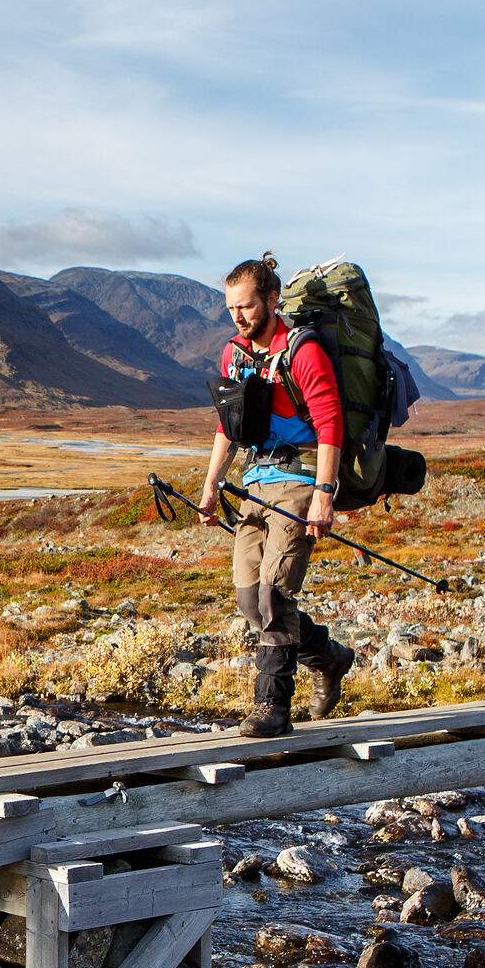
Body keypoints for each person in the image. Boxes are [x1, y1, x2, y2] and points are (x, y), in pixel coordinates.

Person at [196, 254, 355, 734]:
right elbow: (230, 424)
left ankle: (272, 708)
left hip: (302, 479)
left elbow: (330, 423)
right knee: (249, 598)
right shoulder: (235, 354)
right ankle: (328, 657)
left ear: (271, 299)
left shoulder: (303, 351)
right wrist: (210, 485)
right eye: (230, 310)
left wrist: (324, 495)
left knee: (273, 593)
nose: (239, 318)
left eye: (245, 307)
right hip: (255, 482)